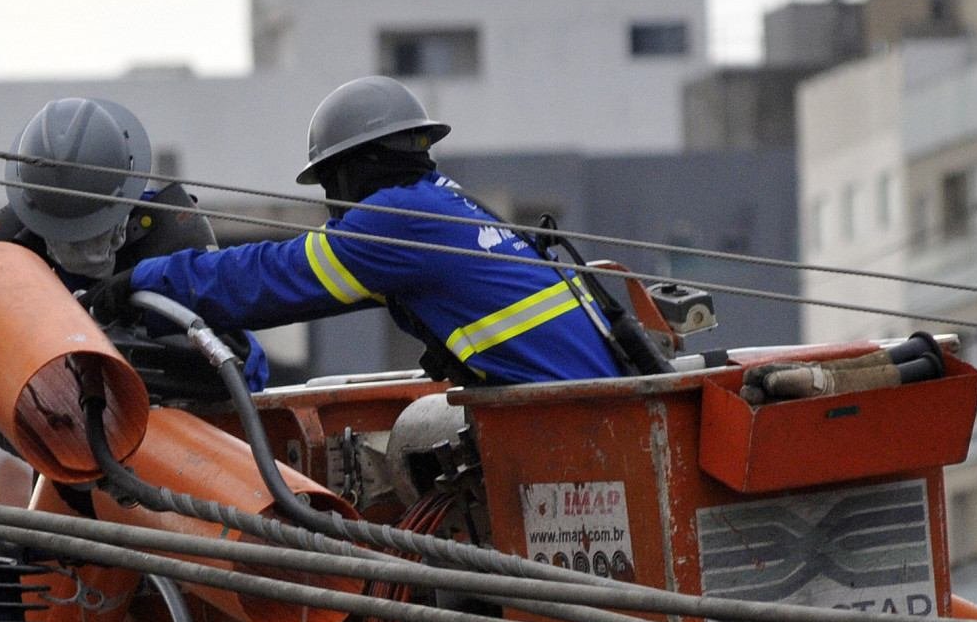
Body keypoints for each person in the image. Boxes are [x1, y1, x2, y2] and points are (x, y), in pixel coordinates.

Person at [114, 76, 626, 388]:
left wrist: (143, 282)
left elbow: (266, 279)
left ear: (353, 167)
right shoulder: (448, 204)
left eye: (331, 181)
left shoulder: (394, 221)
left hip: (569, 425)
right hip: (583, 407)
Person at [0, 95, 251, 389]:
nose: (89, 248)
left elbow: (234, 358)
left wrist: (108, 347)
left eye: (99, 228)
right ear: (37, 214)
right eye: (71, 235)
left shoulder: (172, 230)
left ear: (126, 199)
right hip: (54, 448)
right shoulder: (11, 235)